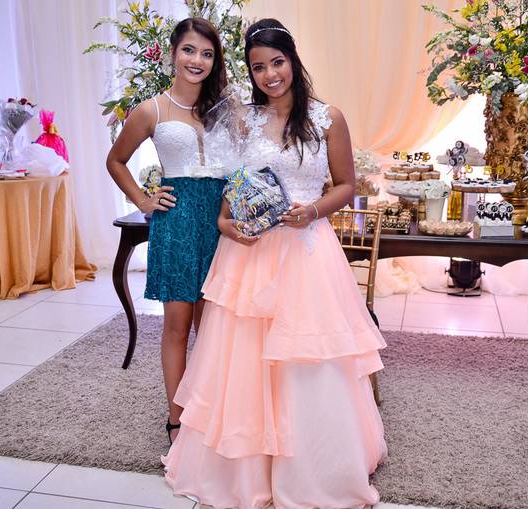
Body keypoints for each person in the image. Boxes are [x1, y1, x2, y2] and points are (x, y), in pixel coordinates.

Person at [162, 18, 388, 508]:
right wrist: (224, 222)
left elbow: (346, 186)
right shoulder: (244, 120)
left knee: (306, 357)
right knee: (242, 356)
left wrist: (313, 210)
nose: (270, 75)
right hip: (251, 253)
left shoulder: (328, 118)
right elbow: (234, 183)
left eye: (277, 63)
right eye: (258, 67)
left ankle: (315, 466)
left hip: (307, 250)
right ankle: (242, 468)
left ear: (293, 60)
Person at [106, 17, 229, 444]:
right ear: (173, 53)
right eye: (189, 50)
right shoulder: (151, 109)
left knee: (213, 329)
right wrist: (143, 200)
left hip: (220, 223)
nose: (197, 60)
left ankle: (211, 412)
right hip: (177, 223)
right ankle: (176, 419)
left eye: (207, 54)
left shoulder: (224, 110)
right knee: (177, 325)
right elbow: (115, 160)